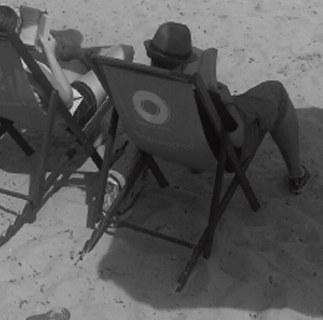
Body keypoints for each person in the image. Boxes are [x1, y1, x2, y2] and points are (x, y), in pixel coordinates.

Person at [104, 22, 311, 212]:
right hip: (215, 154)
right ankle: (297, 174)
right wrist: (227, 101)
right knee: (275, 91)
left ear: (150, 54)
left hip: (158, 141)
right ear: (184, 63)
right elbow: (237, 138)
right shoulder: (198, 96)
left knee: (240, 104)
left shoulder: (131, 87)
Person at [0, 4, 133, 125]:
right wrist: (50, 54)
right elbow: (66, 100)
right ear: (16, 32)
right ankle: (77, 53)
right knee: (123, 52)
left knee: (83, 64)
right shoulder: (29, 69)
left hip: (27, 110)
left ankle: (76, 53)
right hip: (70, 114)